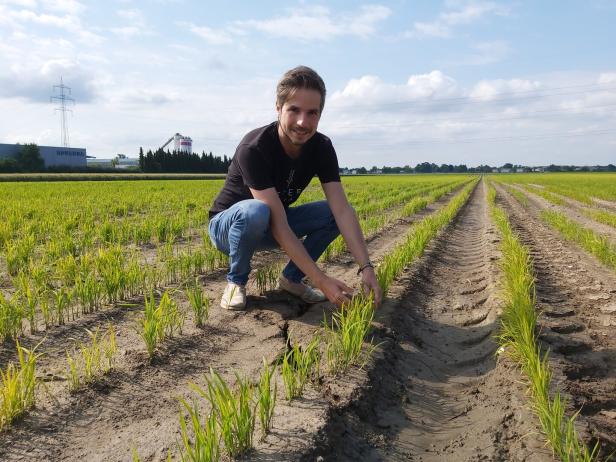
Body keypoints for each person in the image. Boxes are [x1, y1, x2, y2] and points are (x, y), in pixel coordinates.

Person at [208, 65, 382, 310]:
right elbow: (278, 223)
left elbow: (342, 210)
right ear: (278, 108)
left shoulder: (321, 147)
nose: (303, 122)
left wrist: (367, 268)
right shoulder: (254, 148)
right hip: (228, 228)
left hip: (270, 223)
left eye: (312, 113)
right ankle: (236, 282)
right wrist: (321, 280)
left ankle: (292, 279)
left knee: (334, 214)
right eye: (294, 110)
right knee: (256, 211)